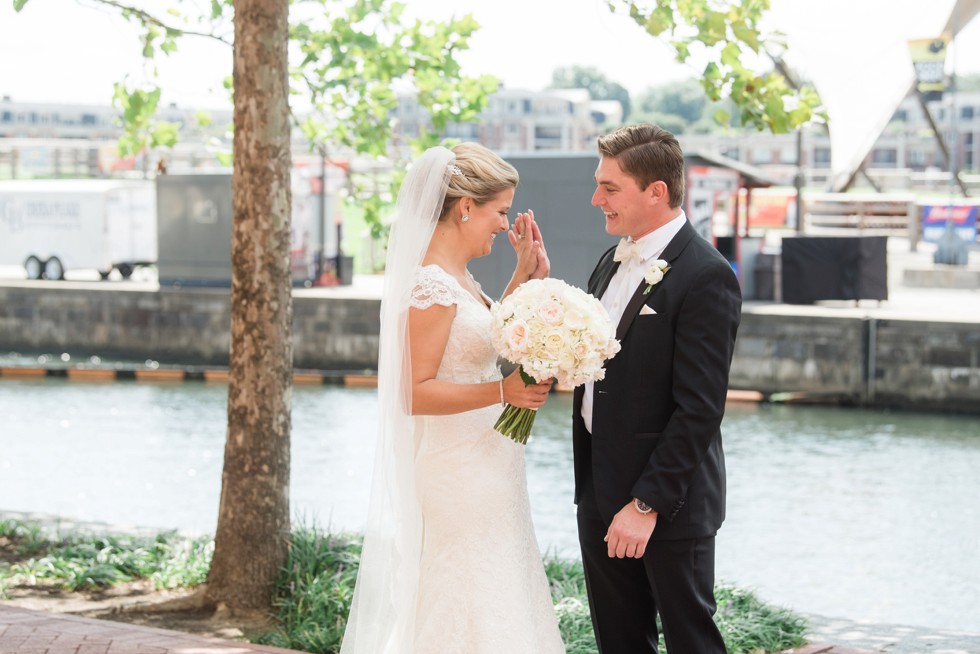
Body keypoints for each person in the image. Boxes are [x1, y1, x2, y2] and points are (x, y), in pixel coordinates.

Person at [340, 143, 565, 654]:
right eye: (499, 211)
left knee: (497, 591)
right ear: (465, 207)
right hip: (456, 471)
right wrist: (503, 391)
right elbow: (413, 393)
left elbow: (478, 340)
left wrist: (524, 277)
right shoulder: (430, 286)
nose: (502, 225)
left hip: (489, 462)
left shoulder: (459, 279)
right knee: (463, 595)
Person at [573, 124, 742, 653]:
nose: (596, 198)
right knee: (620, 644)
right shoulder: (610, 262)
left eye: (609, 187)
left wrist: (644, 505)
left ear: (656, 191)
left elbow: (700, 408)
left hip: (668, 506)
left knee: (692, 643)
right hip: (600, 495)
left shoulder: (707, 276)